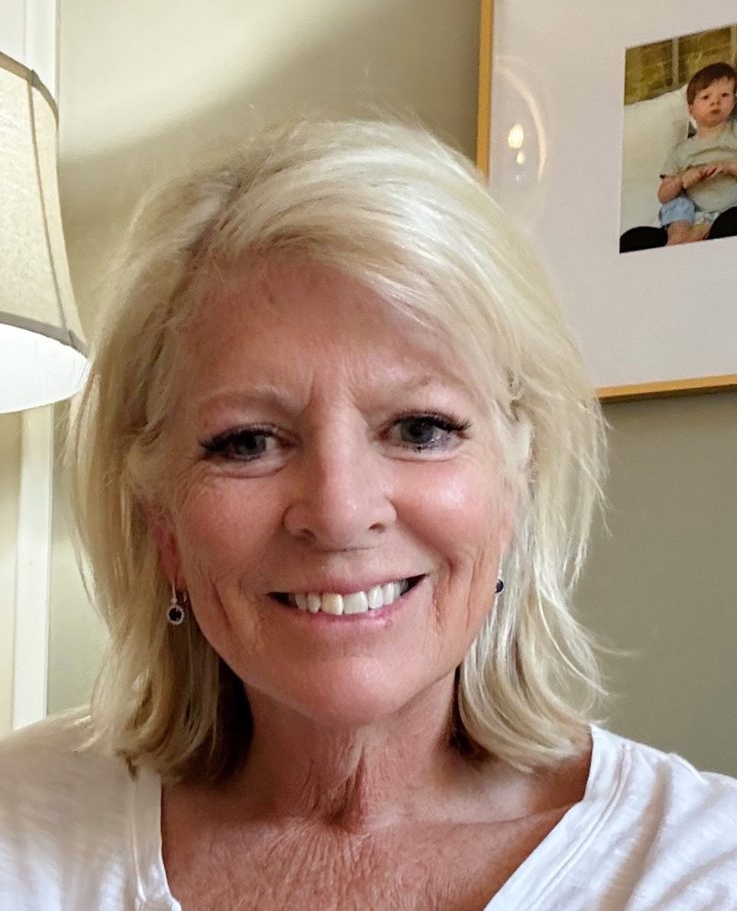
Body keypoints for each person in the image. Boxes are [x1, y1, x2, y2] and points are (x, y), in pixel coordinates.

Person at [1, 119, 736, 910]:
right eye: (247, 442)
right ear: (162, 525)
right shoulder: (20, 825)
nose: (341, 512)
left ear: (513, 485)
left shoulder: (696, 869)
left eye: (421, 429)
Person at [658, 61, 737, 244]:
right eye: (706, 97)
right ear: (691, 109)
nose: (715, 101)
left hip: (731, 207)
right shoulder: (681, 151)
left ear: (734, 102)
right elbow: (663, 195)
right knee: (676, 202)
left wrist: (728, 167)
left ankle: (707, 230)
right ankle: (680, 235)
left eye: (724, 95)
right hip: (693, 216)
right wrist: (681, 179)